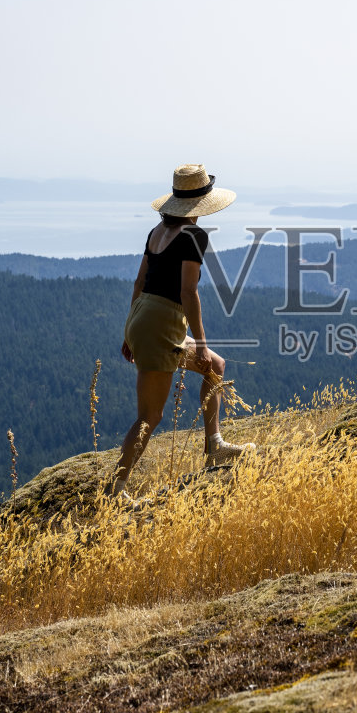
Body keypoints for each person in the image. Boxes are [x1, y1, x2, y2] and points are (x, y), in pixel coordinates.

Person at [111, 163, 255, 498]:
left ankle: (214, 445)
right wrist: (201, 342)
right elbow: (188, 292)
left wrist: (129, 332)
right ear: (200, 204)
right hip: (162, 321)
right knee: (150, 416)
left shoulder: (156, 232)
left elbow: (139, 281)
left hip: (143, 314)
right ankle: (115, 492)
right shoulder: (194, 235)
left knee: (215, 366)